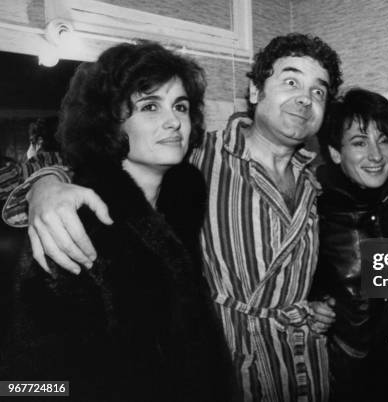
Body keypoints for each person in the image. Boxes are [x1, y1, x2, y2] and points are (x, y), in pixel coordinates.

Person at [3, 33, 343, 401]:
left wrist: (313, 301)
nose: (305, 99)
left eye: (319, 91)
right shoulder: (203, 156)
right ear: (256, 91)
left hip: (304, 366)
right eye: (291, 81)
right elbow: (26, 384)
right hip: (239, 369)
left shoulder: (312, 180)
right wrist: (45, 186)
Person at [1, 41, 233, 401]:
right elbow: (23, 388)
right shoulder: (75, 227)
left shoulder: (183, 202)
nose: (174, 121)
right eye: (149, 106)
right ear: (107, 121)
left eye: (181, 106)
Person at [309, 88, 388, 401]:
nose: (376, 155)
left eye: (383, 140)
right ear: (336, 152)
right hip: (346, 379)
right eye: (359, 142)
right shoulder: (315, 210)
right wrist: (312, 305)